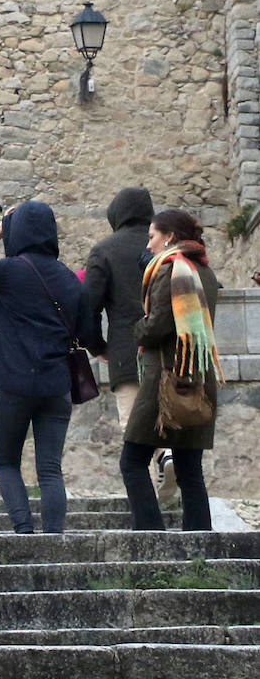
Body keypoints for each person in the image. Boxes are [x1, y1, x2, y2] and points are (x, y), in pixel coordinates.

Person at [0, 201, 97, 535]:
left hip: (14, 382)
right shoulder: (70, 280)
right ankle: (53, 538)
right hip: (56, 385)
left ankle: (24, 531)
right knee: (50, 470)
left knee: (7, 463)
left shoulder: (8, 271)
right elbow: (89, 335)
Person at [120, 208, 220, 532]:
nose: (148, 245)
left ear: (170, 237)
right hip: (198, 378)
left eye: (152, 237)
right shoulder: (205, 272)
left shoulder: (170, 269)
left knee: (132, 461)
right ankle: (200, 547)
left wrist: (136, 327)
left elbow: (156, 327)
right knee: (190, 469)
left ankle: (151, 541)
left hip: (165, 382)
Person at [85, 187, 155, 430]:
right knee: (169, 426)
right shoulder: (168, 245)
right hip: (172, 351)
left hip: (126, 352)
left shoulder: (104, 250)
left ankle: (157, 459)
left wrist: (97, 346)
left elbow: (88, 308)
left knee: (135, 433)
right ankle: (166, 456)